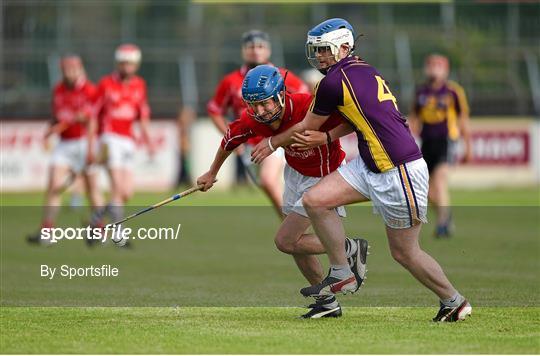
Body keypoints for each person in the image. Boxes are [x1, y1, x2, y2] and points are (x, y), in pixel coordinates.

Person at [251, 18, 471, 322]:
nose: (320, 57)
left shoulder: (332, 82)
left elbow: (305, 127)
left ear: (344, 47)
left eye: (325, 51)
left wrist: (273, 142)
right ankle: (343, 269)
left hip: (398, 168)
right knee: (315, 200)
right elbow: (353, 119)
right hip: (371, 164)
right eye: (316, 51)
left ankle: (454, 301)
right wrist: (327, 137)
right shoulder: (363, 69)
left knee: (405, 253)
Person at [198, 65, 368, 319]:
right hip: (295, 175)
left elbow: (352, 121)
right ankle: (326, 302)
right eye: (253, 105)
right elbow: (229, 140)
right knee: (295, 245)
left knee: (285, 241)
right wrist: (212, 172)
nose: (259, 111)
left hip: (326, 175)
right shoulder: (252, 119)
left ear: (280, 94)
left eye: (264, 103)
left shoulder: (306, 105)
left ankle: (348, 248)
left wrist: (327, 138)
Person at [207, 30, 309, 218]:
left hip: (276, 139)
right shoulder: (230, 81)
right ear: (243, 51)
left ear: (268, 50)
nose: (255, 51)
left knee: (268, 180)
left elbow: (305, 100)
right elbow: (215, 111)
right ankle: (292, 224)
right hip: (249, 145)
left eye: (260, 46)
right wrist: (233, 140)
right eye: (251, 47)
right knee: (268, 185)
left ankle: (292, 223)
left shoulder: (281, 75)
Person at [27, 55, 103, 244]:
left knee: (92, 189)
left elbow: (91, 121)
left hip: (85, 141)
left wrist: (92, 149)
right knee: (54, 186)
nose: (70, 72)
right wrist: (48, 132)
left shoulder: (90, 90)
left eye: (73, 69)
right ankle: (47, 232)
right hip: (64, 144)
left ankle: (100, 229)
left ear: (80, 69)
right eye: (66, 69)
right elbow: (57, 117)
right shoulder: (58, 90)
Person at [89, 44, 155, 247]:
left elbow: (142, 116)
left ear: (136, 64)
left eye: (130, 63)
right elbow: (93, 115)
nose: (127, 66)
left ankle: (96, 220)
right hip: (109, 139)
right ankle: (119, 235)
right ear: (118, 63)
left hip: (127, 140)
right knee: (117, 187)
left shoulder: (139, 85)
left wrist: (148, 141)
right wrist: (92, 144)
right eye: (124, 62)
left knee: (126, 192)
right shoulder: (105, 84)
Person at [408, 54, 472, 238]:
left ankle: (443, 224)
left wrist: (469, 146)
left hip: (446, 141)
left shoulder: (453, 92)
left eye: (438, 66)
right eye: (430, 65)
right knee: (425, 189)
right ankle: (446, 215)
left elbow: (463, 119)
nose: (433, 69)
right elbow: (413, 117)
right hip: (427, 142)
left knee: (440, 182)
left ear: (446, 70)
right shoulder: (420, 92)